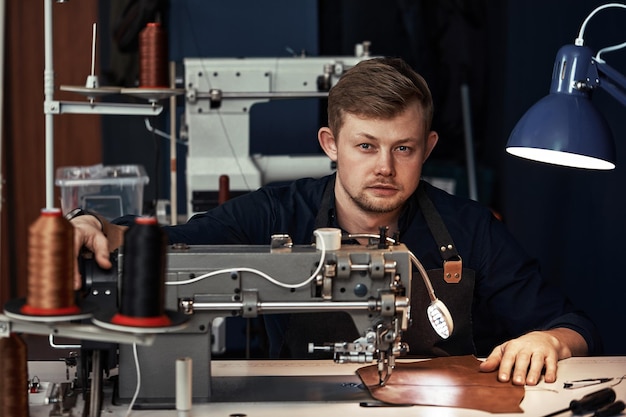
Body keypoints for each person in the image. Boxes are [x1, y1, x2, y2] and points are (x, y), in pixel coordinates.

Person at [69, 57, 601, 386]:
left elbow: (571, 325)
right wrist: (94, 223)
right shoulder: (276, 213)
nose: (385, 168)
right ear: (331, 145)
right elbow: (171, 246)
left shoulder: (469, 229)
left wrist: (551, 342)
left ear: (428, 149)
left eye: (404, 148)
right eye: (365, 146)